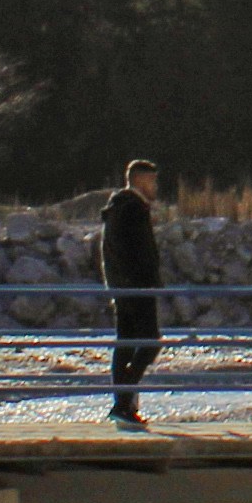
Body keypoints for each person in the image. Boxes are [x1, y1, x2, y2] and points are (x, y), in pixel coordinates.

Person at [97, 157, 171, 426]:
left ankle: (123, 405)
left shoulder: (117, 208)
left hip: (121, 287)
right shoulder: (134, 209)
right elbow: (140, 253)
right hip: (137, 287)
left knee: (126, 344)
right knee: (150, 341)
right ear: (140, 180)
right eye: (152, 181)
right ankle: (124, 401)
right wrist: (150, 283)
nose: (155, 187)